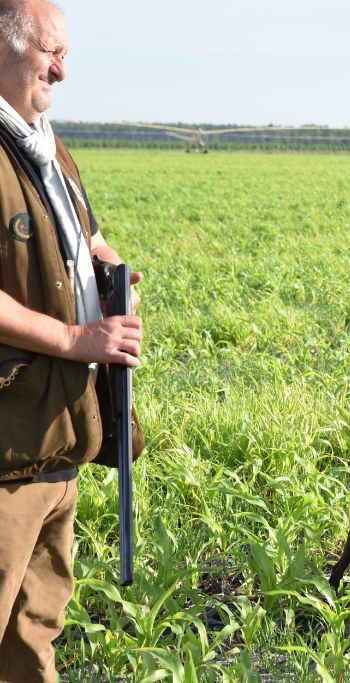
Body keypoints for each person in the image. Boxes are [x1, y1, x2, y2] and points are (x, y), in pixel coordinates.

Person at [0, 1, 143, 680]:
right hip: (7, 439)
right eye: (49, 52)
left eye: (66, 54)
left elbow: (84, 237)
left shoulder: (46, 143)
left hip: (59, 433)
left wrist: (113, 275)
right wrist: (76, 335)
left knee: (35, 627)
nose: (62, 69)